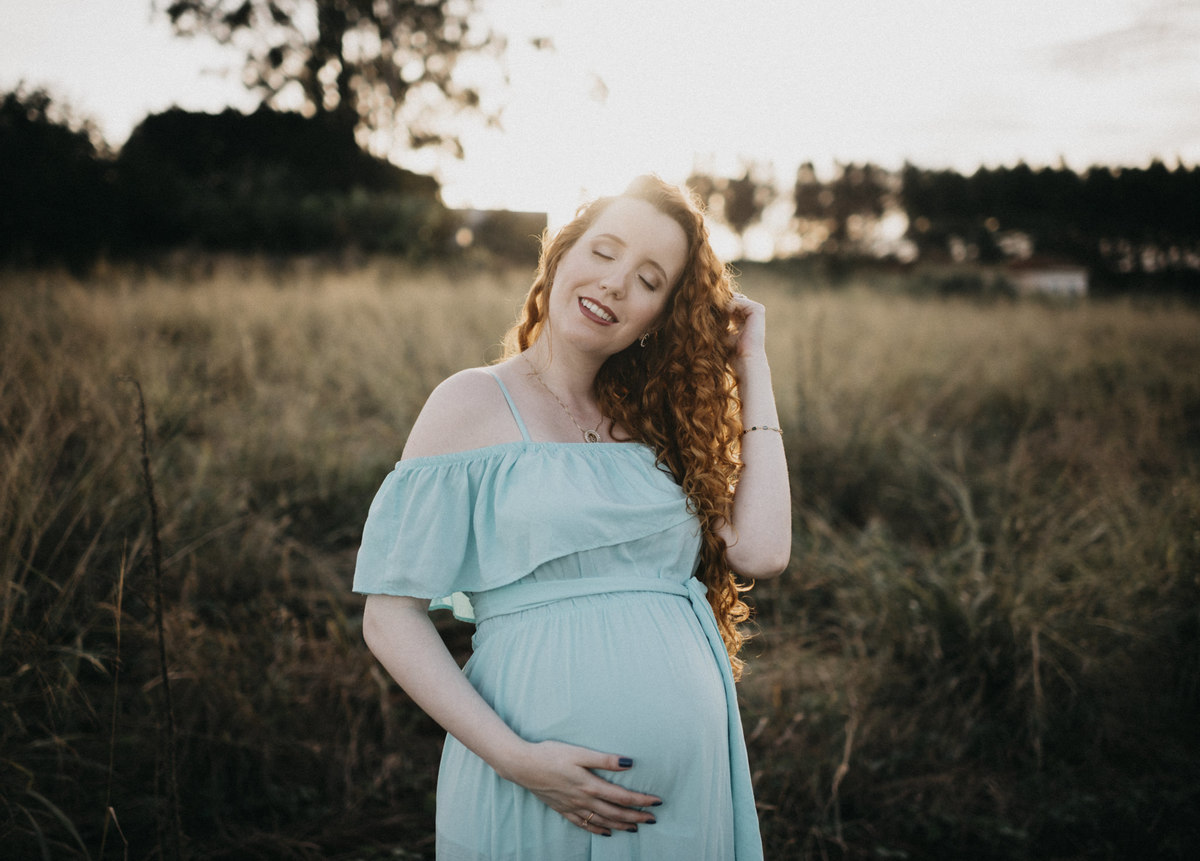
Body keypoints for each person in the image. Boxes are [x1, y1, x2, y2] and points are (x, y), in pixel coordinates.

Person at [353, 174, 791, 860]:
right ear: (560, 256)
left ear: (661, 317)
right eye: (604, 252)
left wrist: (752, 363)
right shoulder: (470, 403)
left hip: (686, 800)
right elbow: (389, 615)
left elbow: (762, 551)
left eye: (649, 279)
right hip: (530, 787)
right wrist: (518, 759)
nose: (615, 283)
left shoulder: (659, 429)